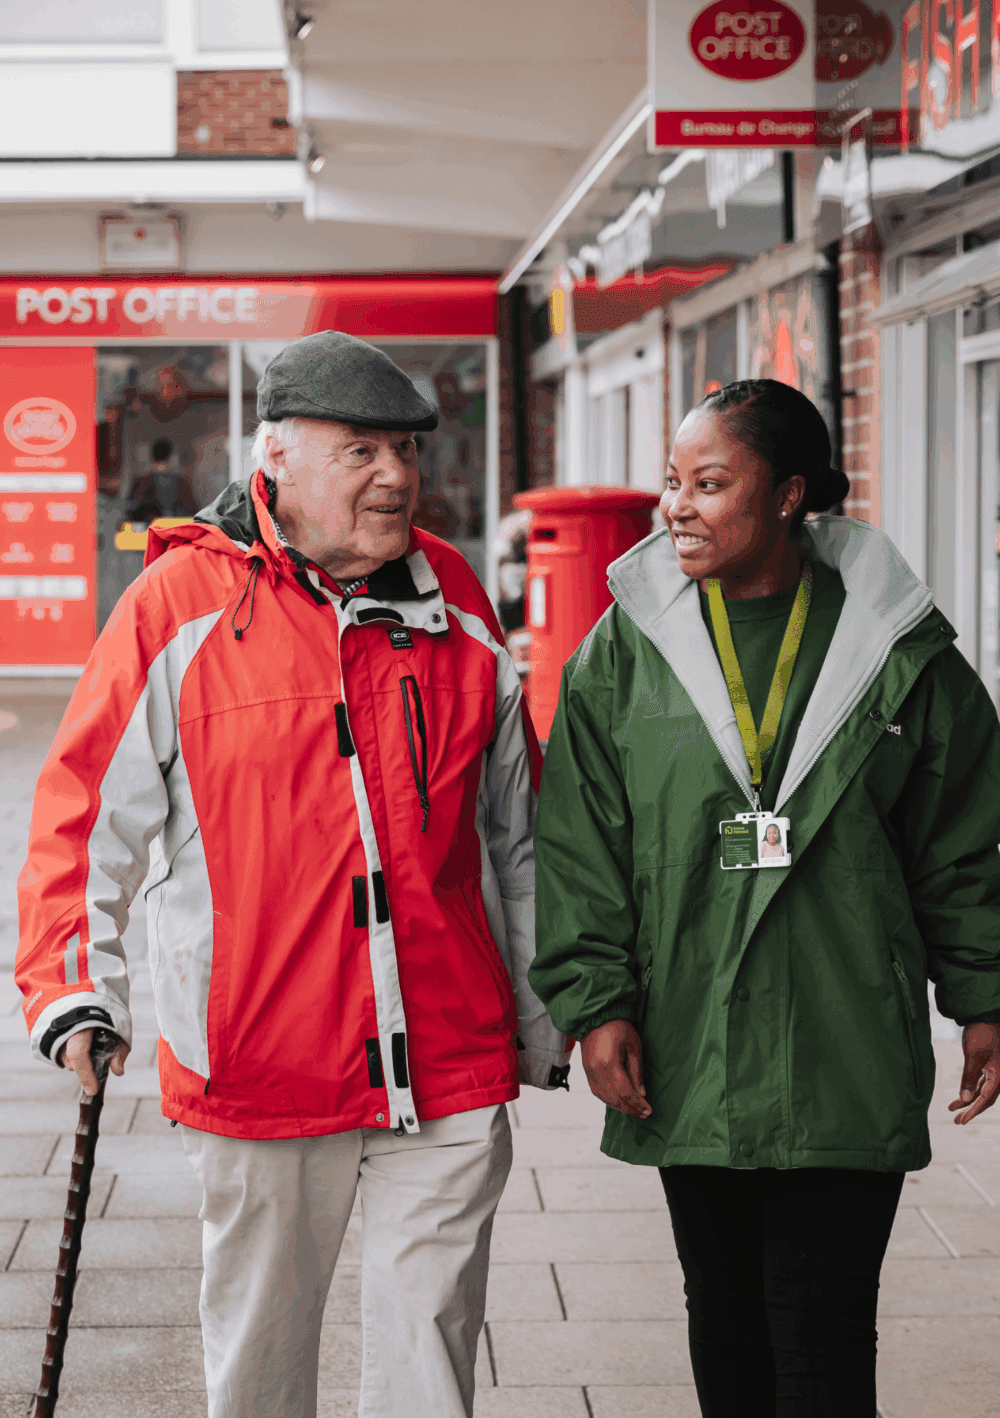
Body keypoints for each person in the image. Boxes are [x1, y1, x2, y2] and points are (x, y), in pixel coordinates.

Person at [16, 330, 571, 1418]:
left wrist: (554, 1005)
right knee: (262, 1361)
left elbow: (518, 830)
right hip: (263, 1058)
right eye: (361, 448)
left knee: (432, 1360)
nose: (397, 475)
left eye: (406, 448)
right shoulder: (178, 605)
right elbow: (83, 821)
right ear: (277, 457)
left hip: (448, 1053)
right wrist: (75, 984)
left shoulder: (453, 595)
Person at [527, 378, 1000, 1417]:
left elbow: (962, 842)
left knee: (824, 1329)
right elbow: (581, 845)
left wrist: (982, 993)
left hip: (845, 1036)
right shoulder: (624, 649)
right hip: (686, 1041)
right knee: (725, 1316)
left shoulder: (895, 648)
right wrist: (593, 1001)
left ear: (788, 495)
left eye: (709, 483)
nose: (677, 507)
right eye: (670, 483)